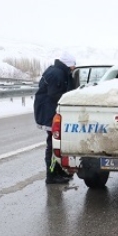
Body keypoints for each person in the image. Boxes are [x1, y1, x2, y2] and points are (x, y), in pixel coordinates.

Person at [34, 52, 76, 184]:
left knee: (57, 144)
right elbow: (54, 94)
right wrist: (69, 100)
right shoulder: (57, 74)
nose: (74, 68)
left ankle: (58, 172)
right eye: (73, 65)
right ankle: (51, 176)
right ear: (68, 64)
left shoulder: (59, 71)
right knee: (53, 145)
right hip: (48, 113)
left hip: (50, 111)